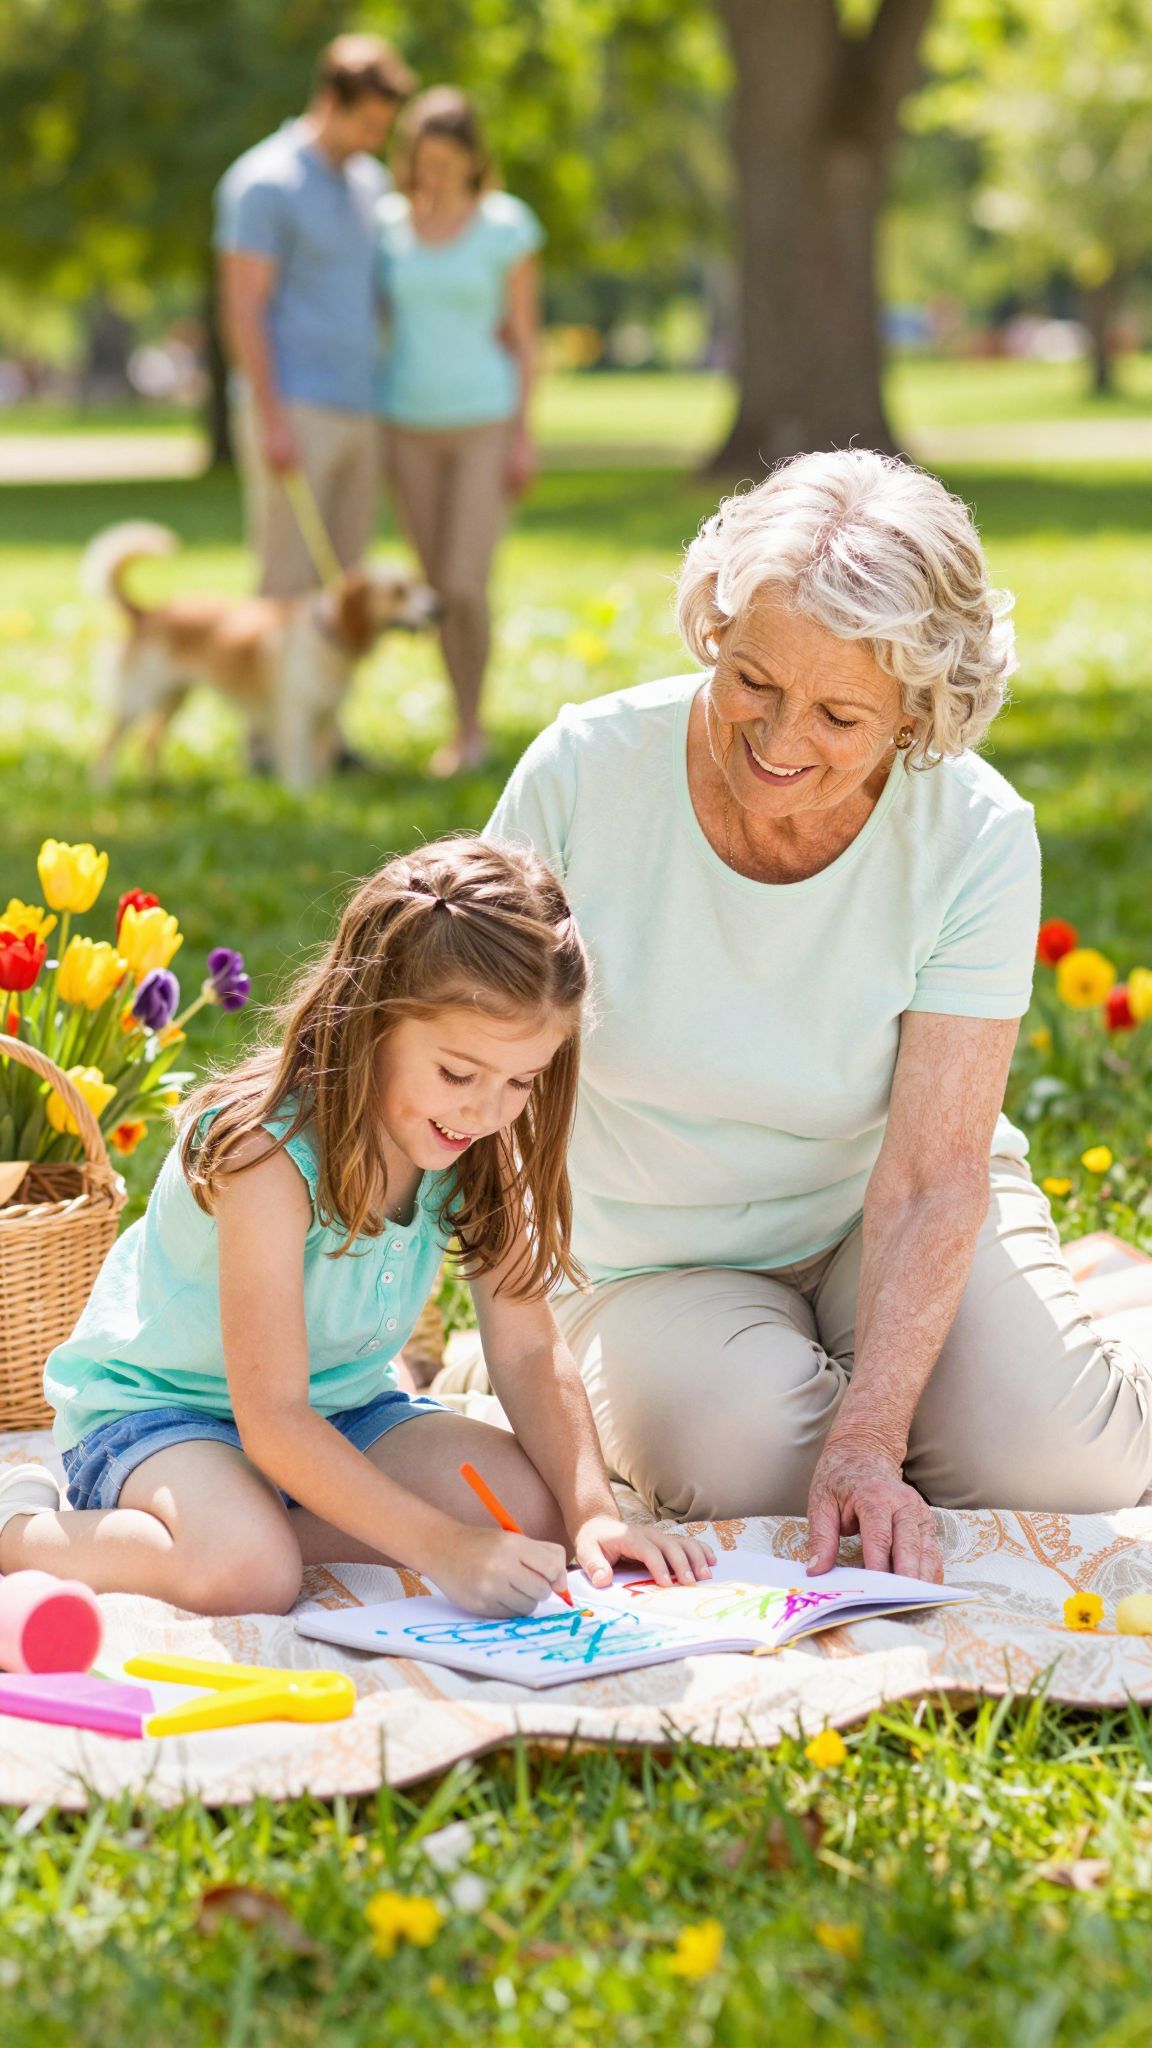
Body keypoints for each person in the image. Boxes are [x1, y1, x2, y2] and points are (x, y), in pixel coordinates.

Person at [482, 447, 1152, 1579]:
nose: (782, 741)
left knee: (1062, 1465)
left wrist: (873, 1433)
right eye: (753, 680)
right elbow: (468, 1053)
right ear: (714, 630)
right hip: (650, 1255)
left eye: (842, 712)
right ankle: (833, 1370)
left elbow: (937, 1176)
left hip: (879, 1213)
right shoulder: (583, 774)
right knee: (749, 1470)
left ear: (917, 715)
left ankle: (1099, 1297)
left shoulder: (975, 833)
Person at [0, 841, 711, 1617]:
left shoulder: (475, 1141)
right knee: (250, 1575)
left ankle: (258, 1522)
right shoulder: (264, 1156)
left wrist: (595, 1516)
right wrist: (442, 1547)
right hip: (167, 1413)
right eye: (457, 1073)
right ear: (370, 1023)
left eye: (521, 1080)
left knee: (531, 1512)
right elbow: (271, 1419)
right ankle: (23, 1526)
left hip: (343, 1409)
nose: (487, 1109)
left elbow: (528, 1346)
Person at [376, 87, 544, 776]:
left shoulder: (507, 226)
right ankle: (458, 723)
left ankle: (473, 726)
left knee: (466, 580)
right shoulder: (386, 227)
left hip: (485, 420)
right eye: (424, 160)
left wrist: (525, 434)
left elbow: (526, 337)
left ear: (474, 159)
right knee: (436, 587)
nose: (435, 173)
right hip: (406, 424)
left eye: (448, 160)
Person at [214, 34, 414, 600]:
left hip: (361, 407)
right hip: (294, 408)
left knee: (345, 592)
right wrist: (269, 417)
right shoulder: (263, 182)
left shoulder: (369, 183)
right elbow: (243, 308)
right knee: (286, 583)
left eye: (385, 126)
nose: (377, 140)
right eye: (368, 124)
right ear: (330, 100)